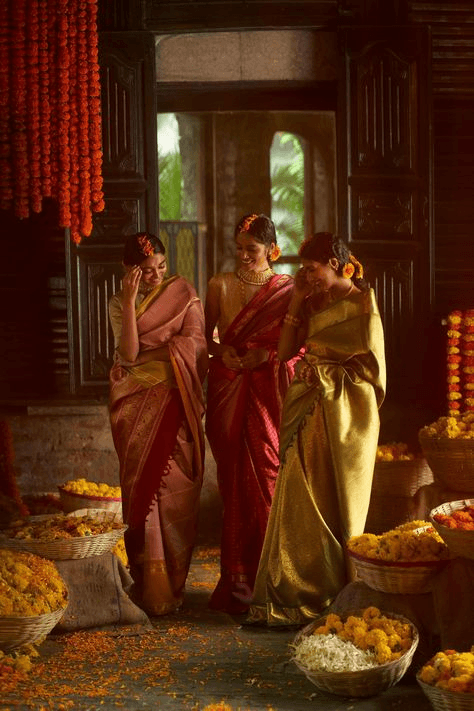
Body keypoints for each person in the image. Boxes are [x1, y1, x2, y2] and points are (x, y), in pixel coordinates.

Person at [247, 231, 386, 626]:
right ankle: (293, 590)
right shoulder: (312, 301)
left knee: (335, 501)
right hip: (307, 407)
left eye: (312, 269)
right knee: (296, 493)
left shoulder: (363, 304)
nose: (307, 276)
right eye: (303, 270)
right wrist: (295, 300)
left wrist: (324, 374)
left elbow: (370, 374)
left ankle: (338, 592)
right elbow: (289, 352)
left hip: (345, 413)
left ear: (336, 264)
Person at [205, 213, 302, 614]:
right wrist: (220, 352)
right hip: (228, 389)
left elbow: (299, 347)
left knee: (266, 476)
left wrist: (269, 356)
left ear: (272, 250)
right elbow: (203, 339)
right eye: (239, 248)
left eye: (253, 250)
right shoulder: (219, 285)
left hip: (267, 392)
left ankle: (272, 581)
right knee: (233, 486)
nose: (244, 256)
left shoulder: (289, 290)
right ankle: (237, 583)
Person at [108, 232, 208, 616]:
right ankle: (151, 588)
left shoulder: (183, 292)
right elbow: (130, 355)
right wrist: (132, 302)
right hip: (135, 404)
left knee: (172, 488)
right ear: (129, 271)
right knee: (144, 495)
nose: (156, 276)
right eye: (146, 271)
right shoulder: (119, 303)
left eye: (161, 267)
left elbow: (196, 343)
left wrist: (168, 355)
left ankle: (174, 583)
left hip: (176, 397)